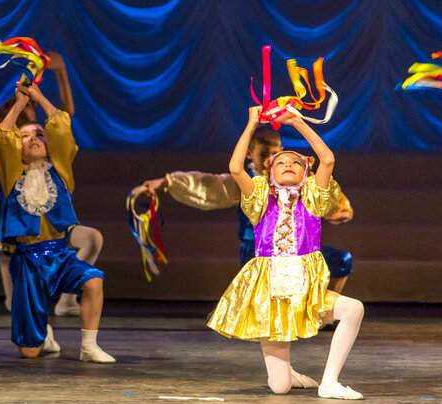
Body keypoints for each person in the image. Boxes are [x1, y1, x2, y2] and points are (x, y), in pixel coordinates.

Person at [208, 107, 364, 399]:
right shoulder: (259, 199)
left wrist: (296, 122)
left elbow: (328, 159)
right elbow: (236, 169)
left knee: (353, 308)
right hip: (271, 294)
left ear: (306, 173)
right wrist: (252, 123)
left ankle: (329, 382)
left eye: (296, 162)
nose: (288, 164)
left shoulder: (312, 199)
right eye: (280, 162)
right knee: (280, 388)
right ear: (269, 173)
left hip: (307, 291)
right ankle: (285, 372)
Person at [0, 53, 103, 316]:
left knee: (89, 240)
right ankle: (31, 319)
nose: (27, 106)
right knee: (17, 289)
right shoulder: (1, 140)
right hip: (14, 210)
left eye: (29, 105)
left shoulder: (46, 144)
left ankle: (65, 301)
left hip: (48, 214)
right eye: (20, 104)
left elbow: (63, 121)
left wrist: (60, 72)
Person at [137, 126, 354, 295]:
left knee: (340, 261)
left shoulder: (293, 179)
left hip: (293, 247)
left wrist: (339, 214)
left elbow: (325, 198)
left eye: (274, 153)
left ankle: (322, 314)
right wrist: (166, 182)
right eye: (263, 154)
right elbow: (207, 185)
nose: (269, 159)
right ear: (250, 154)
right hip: (257, 251)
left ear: (281, 151)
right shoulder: (245, 182)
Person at [0, 83, 114, 362]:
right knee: (29, 353)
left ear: (49, 145)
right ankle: (43, 334)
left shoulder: (61, 171)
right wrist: (20, 104)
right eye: (25, 137)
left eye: (39, 134)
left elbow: (60, 127)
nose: (33, 139)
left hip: (60, 256)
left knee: (94, 280)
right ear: (18, 148)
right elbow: (3, 137)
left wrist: (38, 96)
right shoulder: (12, 176)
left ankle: (88, 346)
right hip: (28, 263)